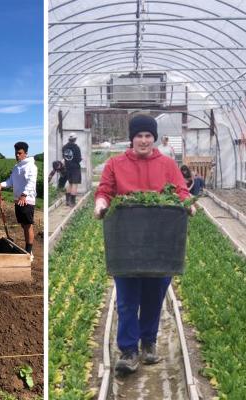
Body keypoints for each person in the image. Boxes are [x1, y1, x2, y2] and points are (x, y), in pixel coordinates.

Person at [94, 114, 196, 375]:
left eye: (148, 135)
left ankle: (148, 343)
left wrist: (188, 203)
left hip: (161, 243)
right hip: (126, 243)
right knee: (127, 299)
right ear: (132, 138)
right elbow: (105, 190)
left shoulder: (168, 164)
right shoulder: (115, 163)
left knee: (153, 297)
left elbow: (181, 190)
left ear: (154, 138)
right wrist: (101, 202)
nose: (143, 140)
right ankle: (129, 350)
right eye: (138, 135)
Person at [0, 141, 38, 260]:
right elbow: (11, 181)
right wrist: (2, 185)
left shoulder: (31, 166)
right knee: (24, 225)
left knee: (28, 225)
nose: (17, 155)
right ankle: (27, 250)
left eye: (20, 153)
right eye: (16, 153)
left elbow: (31, 182)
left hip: (27, 200)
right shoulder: (16, 167)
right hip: (17, 200)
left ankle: (29, 253)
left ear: (26, 153)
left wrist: (24, 195)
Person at [62, 133, 82, 206]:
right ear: (75, 139)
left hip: (67, 167)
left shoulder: (64, 147)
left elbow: (64, 157)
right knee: (74, 184)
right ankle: (72, 202)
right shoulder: (76, 148)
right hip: (75, 168)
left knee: (69, 183)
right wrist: (79, 160)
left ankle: (67, 201)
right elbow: (78, 159)